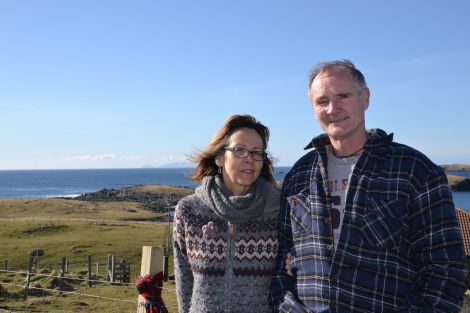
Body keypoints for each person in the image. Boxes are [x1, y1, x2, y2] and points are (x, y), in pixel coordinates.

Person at [269, 60, 467, 312]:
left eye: (343, 96)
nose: (332, 108)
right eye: (322, 101)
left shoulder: (415, 171)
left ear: (365, 98)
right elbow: (281, 265)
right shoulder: (298, 175)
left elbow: (446, 270)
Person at [173, 114, 280, 313]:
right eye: (239, 150)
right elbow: (184, 281)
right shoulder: (189, 211)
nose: (249, 158)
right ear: (220, 157)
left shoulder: (278, 211)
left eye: (256, 152)